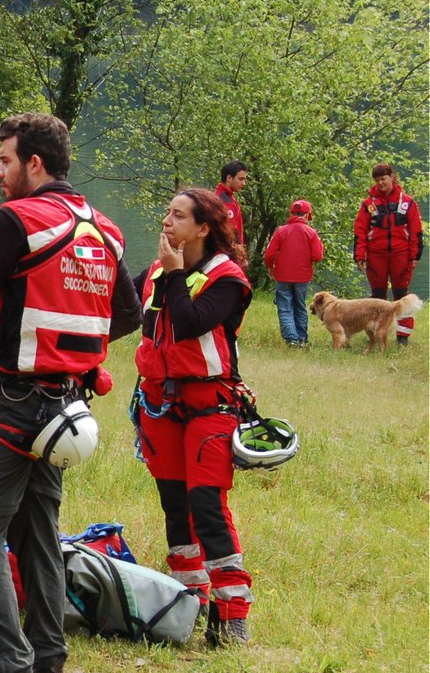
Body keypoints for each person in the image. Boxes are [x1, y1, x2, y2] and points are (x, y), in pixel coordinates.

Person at [0, 113, 141, 673]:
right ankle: (49, 666)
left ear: (35, 163)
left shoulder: (16, 220)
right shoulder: (105, 229)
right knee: (37, 535)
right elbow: (129, 316)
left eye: (4, 161)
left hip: (15, 403)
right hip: (68, 408)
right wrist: (74, 341)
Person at [132, 189, 255, 645]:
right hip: (160, 404)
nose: (167, 222)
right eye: (166, 212)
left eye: (178, 216)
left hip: (210, 406)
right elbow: (122, 312)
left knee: (207, 505)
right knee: (174, 503)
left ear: (203, 228)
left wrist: (174, 273)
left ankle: (233, 613)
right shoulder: (155, 273)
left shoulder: (229, 278)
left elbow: (186, 322)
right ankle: (189, 601)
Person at [353, 163, 422, 345]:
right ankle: (375, 335)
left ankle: (402, 337)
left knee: (401, 295)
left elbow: (416, 231)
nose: (380, 183)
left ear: (392, 177)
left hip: (401, 255)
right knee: (377, 297)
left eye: (383, 179)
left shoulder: (407, 202)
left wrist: (415, 255)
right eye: (377, 180)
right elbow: (360, 231)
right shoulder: (368, 205)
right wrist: (359, 255)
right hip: (376, 256)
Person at [263, 199, 325, 347]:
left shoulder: (281, 231)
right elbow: (318, 256)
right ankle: (302, 339)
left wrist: (270, 267)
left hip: (282, 276)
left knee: (285, 308)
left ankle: (291, 339)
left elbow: (269, 254)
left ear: (291, 214)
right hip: (303, 277)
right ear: (307, 215)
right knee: (300, 306)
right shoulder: (311, 233)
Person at [215, 161, 248, 246]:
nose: (244, 183)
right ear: (229, 178)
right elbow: (231, 235)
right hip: (228, 253)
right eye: (241, 179)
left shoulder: (218, 196)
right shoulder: (226, 202)